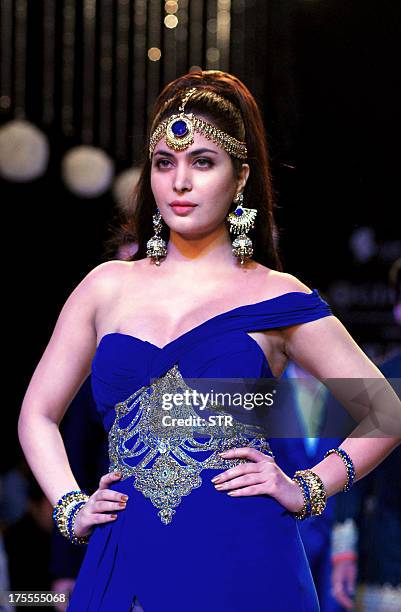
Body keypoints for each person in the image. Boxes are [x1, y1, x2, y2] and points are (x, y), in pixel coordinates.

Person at [17, 70, 401, 612]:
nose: (180, 182)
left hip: (247, 558)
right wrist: (70, 507)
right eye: (164, 162)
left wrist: (307, 488)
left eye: (202, 162)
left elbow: (386, 411)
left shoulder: (275, 296)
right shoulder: (106, 287)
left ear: (240, 177)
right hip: (125, 550)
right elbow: (36, 413)